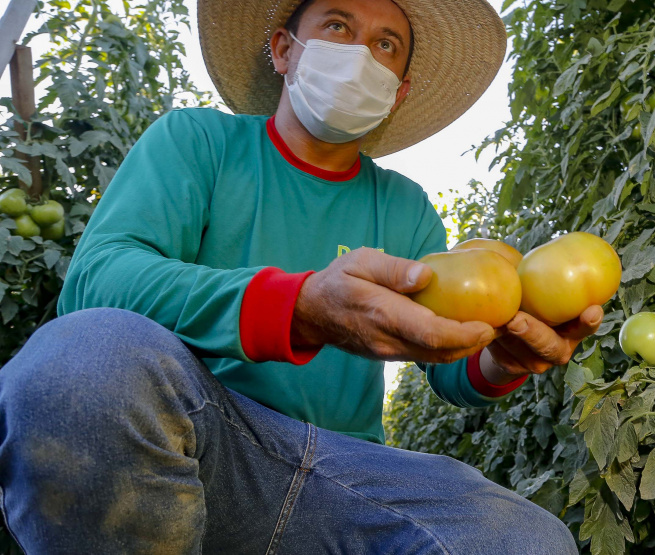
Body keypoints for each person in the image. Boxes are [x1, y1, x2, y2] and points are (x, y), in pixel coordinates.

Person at [0, 0, 603, 552]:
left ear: (398, 89)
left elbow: (447, 362)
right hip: (196, 437)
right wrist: (297, 307)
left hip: (345, 476)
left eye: (386, 45)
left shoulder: (406, 208)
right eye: (338, 26)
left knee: (525, 540)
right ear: (285, 50)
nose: (361, 55)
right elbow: (97, 282)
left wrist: (505, 357)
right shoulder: (197, 142)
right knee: (80, 363)